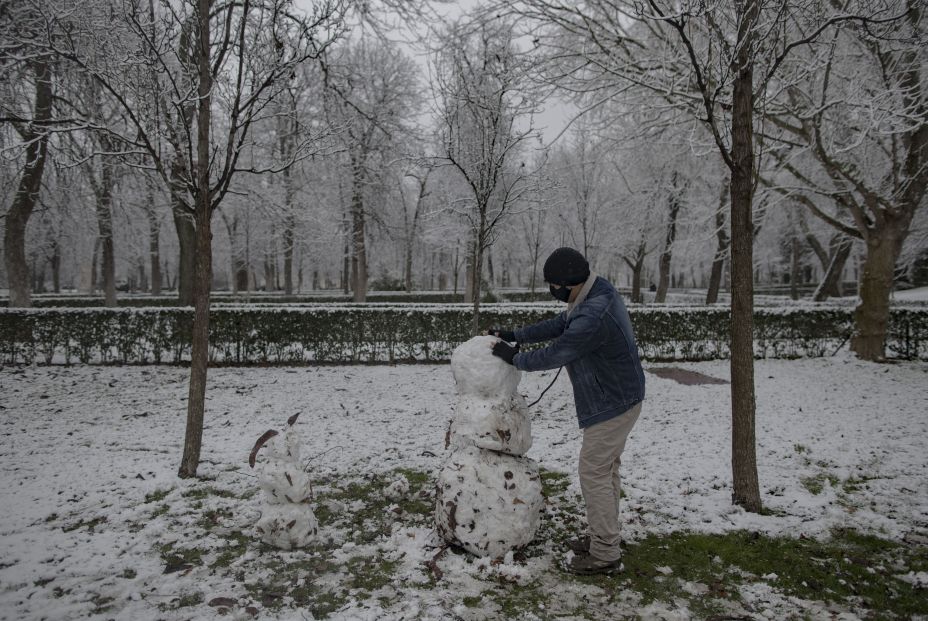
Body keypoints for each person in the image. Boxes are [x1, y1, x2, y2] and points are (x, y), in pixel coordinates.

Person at [488, 247, 645, 575]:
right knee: (606, 470)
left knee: (594, 472)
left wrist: (514, 358)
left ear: (568, 282)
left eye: (553, 285)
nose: (552, 290)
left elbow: (558, 351)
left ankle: (605, 553)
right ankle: (606, 537)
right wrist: (516, 335)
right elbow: (560, 325)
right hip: (618, 396)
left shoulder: (594, 313)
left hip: (613, 402)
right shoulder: (593, 292)